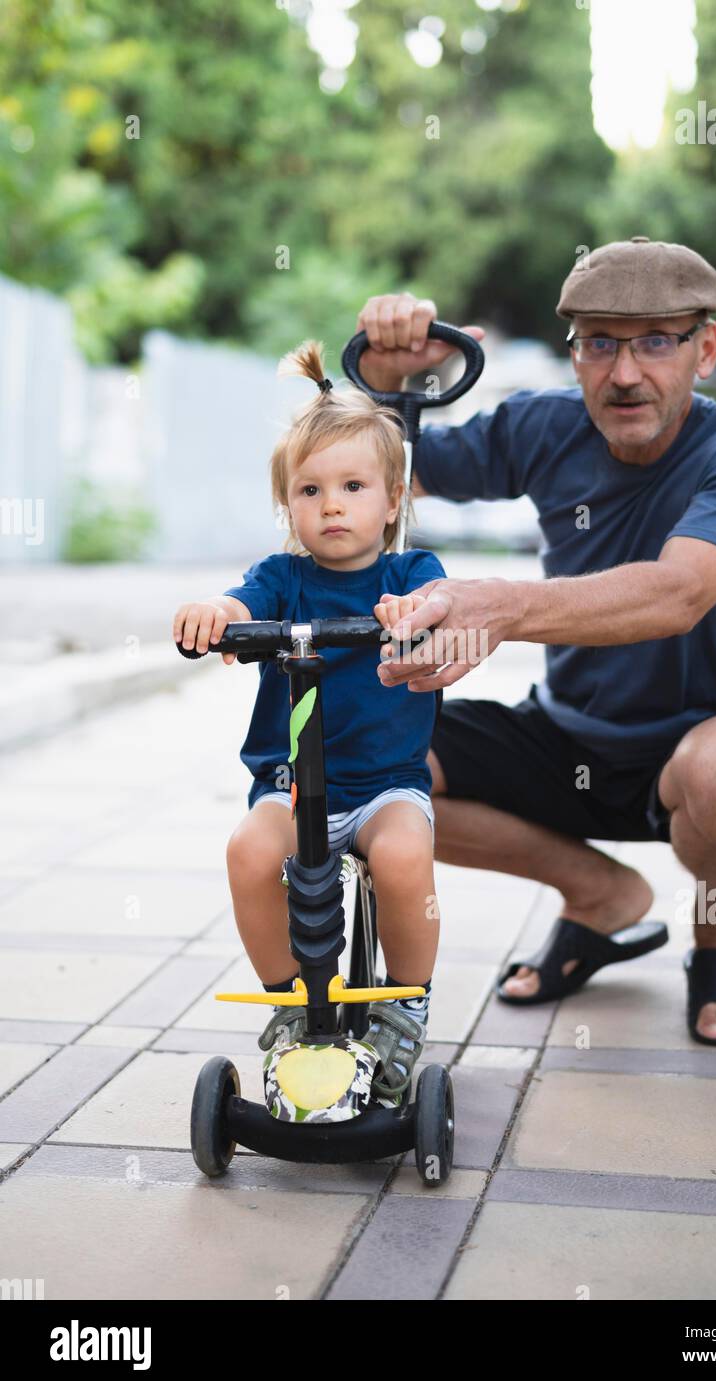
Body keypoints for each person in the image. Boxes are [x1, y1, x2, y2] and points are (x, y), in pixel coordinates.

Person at [354, 237, 716, 1045]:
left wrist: (499, 608)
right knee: (364, 762)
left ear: (703, 350)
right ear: (574, 355)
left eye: (655, 342)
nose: (625, 373)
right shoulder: (544, 426)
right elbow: (381, 473)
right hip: (569, 734)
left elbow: (676, 592)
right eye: (599, 343)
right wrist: (386, 376)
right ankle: (601, 898)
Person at [173, 340, 446, 1102]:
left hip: (386, 785)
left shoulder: (410, 576)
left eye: (353, 486)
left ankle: (403, 1002)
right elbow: (240, 602)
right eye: (309, 489)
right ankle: (290, 1001)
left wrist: (413, 618)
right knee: (248, 853)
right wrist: (216, 614)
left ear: (391, 501)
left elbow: (439, 610)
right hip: (294, 788)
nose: (330, 505)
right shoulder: (282, 579)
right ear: (287, 504)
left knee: (401, 861)